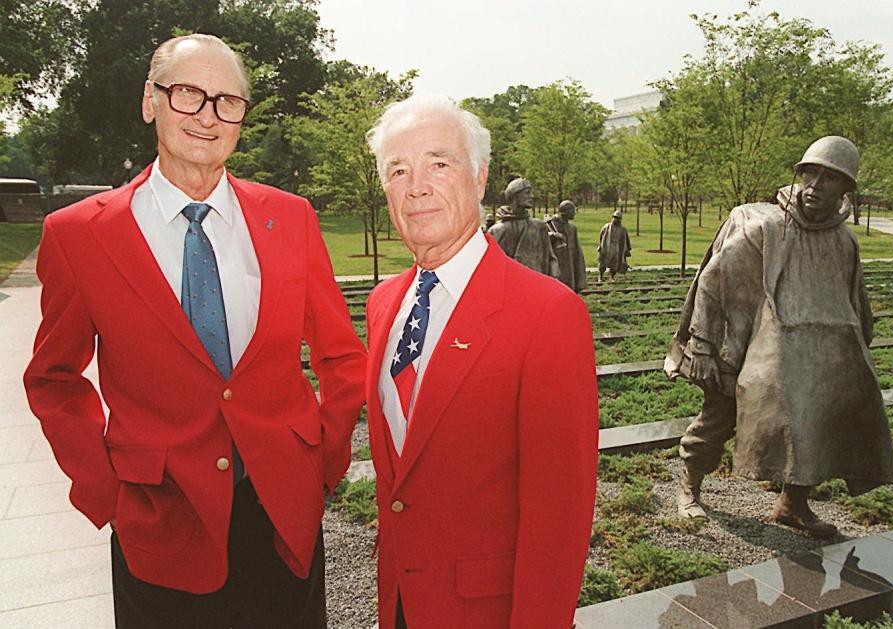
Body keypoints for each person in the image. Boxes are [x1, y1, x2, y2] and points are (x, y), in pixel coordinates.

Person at [22, 34, 366, 627]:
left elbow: (341, 358)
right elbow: (54, 378)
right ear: (150, 102)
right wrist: (108, 493)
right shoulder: (79, 235)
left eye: (227, 101)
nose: (208, 116)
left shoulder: (293, 219)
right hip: (158, 519)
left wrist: (323, 464)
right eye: (188, 95)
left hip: (283, 513)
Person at [364, 94, 598, 628]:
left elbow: (559, 513)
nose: (416, 186)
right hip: (400, 604)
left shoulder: (549, 314)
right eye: (398, 170)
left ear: (480, 177)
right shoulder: (383, 304)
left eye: (438, 164)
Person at [664, 136, 893, 537]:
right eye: (811, 173)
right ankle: (690, 487)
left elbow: (854, 298)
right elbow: (713, 282)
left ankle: (793, 504)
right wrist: (702, 344)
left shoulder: (844, 240)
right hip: (741, 347)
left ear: (846, 190)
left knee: (812, 426)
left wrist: (855, 350)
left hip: (812, 357)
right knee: (716, 422)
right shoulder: (763, 225)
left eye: (830, 179)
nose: (816, 185)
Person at [487, 177, 559, 278]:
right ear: (515, 196)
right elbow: (491, 267)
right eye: (527, 193)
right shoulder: (498, 230)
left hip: (538, 285)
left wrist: (554, 280)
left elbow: (551, 258)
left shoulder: (539, 227)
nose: (532, 196)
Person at [546, 199, 588, 293]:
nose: (574, 213)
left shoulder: (572, 228)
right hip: (557, 263)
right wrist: (552, 235)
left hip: (570, 263)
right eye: (572, 211)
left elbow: (577, 250)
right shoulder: (550, 224)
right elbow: (541, 238)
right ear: (565, 211)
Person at [597, 209, 631, 283]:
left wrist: (628, 249)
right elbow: (601, 236)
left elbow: (627, 239)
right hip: (606, 248)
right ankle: (600, 276)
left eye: (618, 218)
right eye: (615, 217)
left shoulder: (623, 230)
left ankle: (612, 277)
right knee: (602, 263)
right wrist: (599, 245)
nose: (616, 219)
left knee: (614, 264)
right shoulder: (606, 227)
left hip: (616, 250)